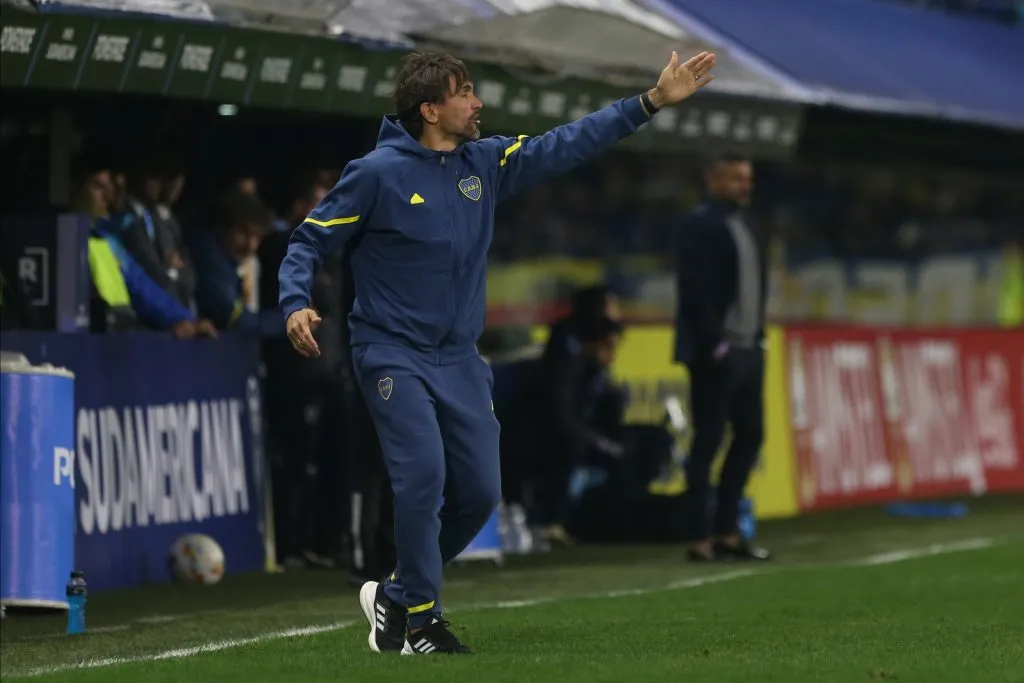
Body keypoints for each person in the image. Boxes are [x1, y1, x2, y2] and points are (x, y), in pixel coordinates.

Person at [279, 49, 717, 655]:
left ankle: (397, 594)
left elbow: (570, 142)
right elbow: (309, 239)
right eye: (465, 93)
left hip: (460, 359)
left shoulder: (484, 163)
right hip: (390, 352)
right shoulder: (376, 173)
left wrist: (649, 102)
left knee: (482, 493)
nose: (477, 102)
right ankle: (423, 624)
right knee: (423, 475)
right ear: (430, 109)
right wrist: (294, 300)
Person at [673, 153, 771, 563]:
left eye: (746, 178)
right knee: (708, 441)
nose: (743, 186)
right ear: (713, 180)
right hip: (719, 352)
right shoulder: (702, 223)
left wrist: (757, 338)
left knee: (750, 437)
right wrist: (716, 344)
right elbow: (695, 291)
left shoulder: (746, 223)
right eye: (734, 178)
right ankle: (699, 537)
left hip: (749, 348)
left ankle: (728, 530)